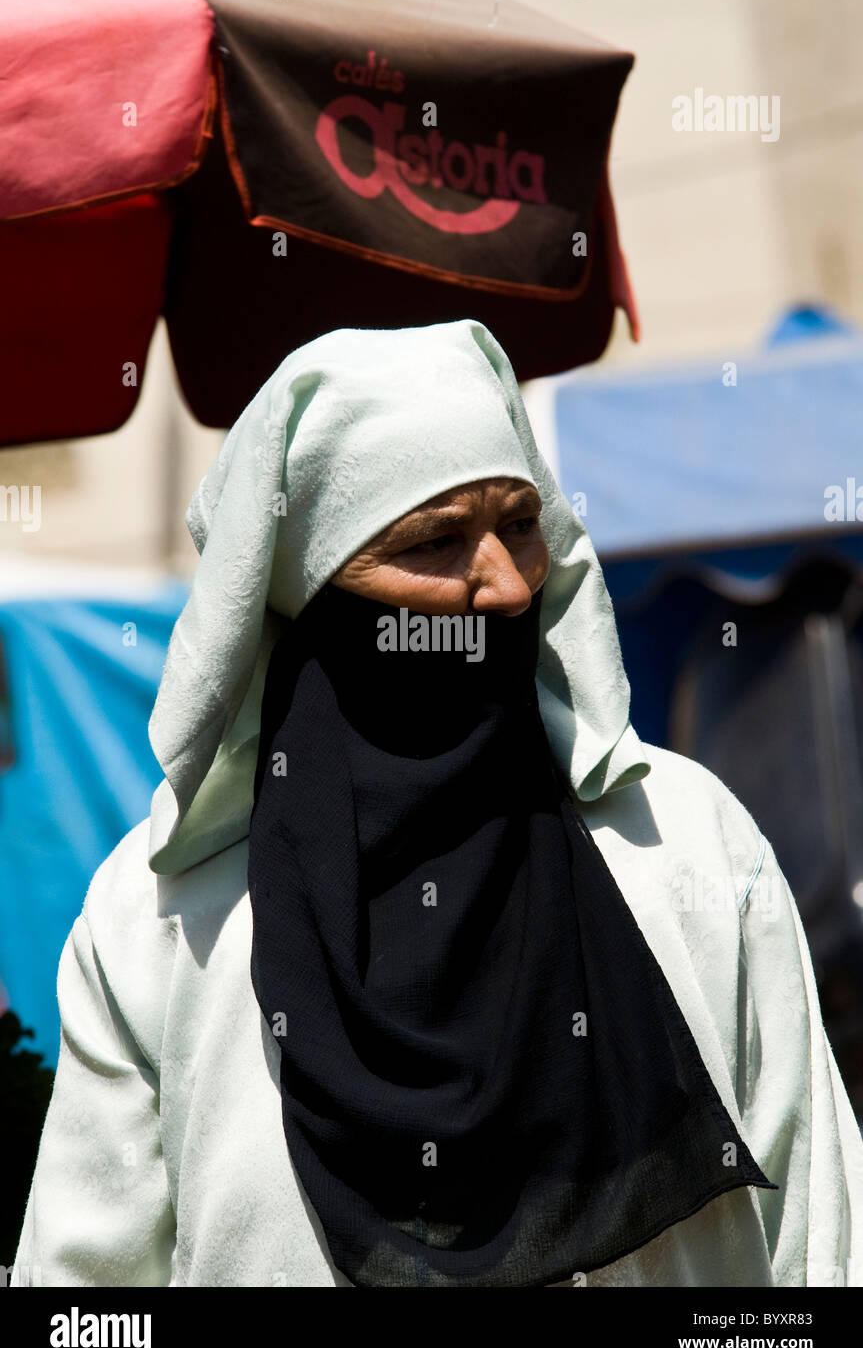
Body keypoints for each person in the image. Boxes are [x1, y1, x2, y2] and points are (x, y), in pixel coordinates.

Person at [11, 319, 863, 1288]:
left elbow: (818, 1242)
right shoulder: (159, 919)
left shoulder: (682, 841)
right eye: (434, 541)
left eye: (520, 524)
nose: (500, 584)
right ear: (306, 585)